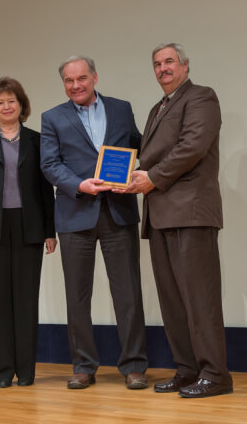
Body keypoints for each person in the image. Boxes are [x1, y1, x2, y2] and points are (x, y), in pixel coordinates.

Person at [119, 42, 234, 398]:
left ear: (185, 65)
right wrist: (124, 174)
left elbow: (193, 146)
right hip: (160, 215)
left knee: (199, 299)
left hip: (190, 213)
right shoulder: (158, 108)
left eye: (169, 61)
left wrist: (152, 178)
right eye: (157, 64)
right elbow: (151, 155)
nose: (162, 68)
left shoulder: (201, 97)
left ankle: (215, 375)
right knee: (172, 302)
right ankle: (187, 370)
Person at [40, 55, 149, 390]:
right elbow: (49, 164)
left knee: (128, 294)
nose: (76, 85)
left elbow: (139, 145)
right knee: (77, 297)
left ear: (95, 78)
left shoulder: (121, 108)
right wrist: (79, 185)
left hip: (118, 211)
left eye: (82, 78)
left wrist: (139, 172)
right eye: (69, 81)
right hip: (75, 213)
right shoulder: (52, 117)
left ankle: (134, 366)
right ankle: (83, 366)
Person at [0, 77, 57, 388]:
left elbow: (45, 190)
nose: (6, 106)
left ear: (21, 105)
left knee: (26, 301)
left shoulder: (36, 140)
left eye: (11, 101)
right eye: (0, 102)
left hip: (30, 227)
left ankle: (26, 372)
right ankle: (2, 372)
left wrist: (50, 231)